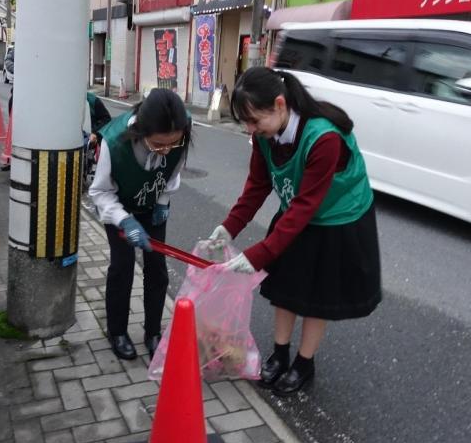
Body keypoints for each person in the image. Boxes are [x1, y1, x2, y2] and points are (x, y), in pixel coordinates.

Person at [208, 66, 381, 396]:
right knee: (285, 288)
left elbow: (306, 206)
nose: (250, 129)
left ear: (280, 104)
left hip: (338, 219)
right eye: (245, 122)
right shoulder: (265, 135)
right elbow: (257, 186)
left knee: (317, 297)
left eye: (254, 120)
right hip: (297, 215)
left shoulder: (324, 137)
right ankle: (280, 352)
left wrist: (256, 256)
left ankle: (304, 363)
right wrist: (228, 229)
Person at [89, 89, 191, 361]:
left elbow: (173, 171)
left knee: (157, 269)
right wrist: (125, 220)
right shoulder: (114, 142)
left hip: (153, 205)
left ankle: (153, 332)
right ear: (141, 132)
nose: (166, 150)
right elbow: (99, 192)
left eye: (172, 144)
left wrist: (163, 202)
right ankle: (117, 332)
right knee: (122, 267)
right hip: (119, 208)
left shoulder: (180, 129)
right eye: (158, 145)